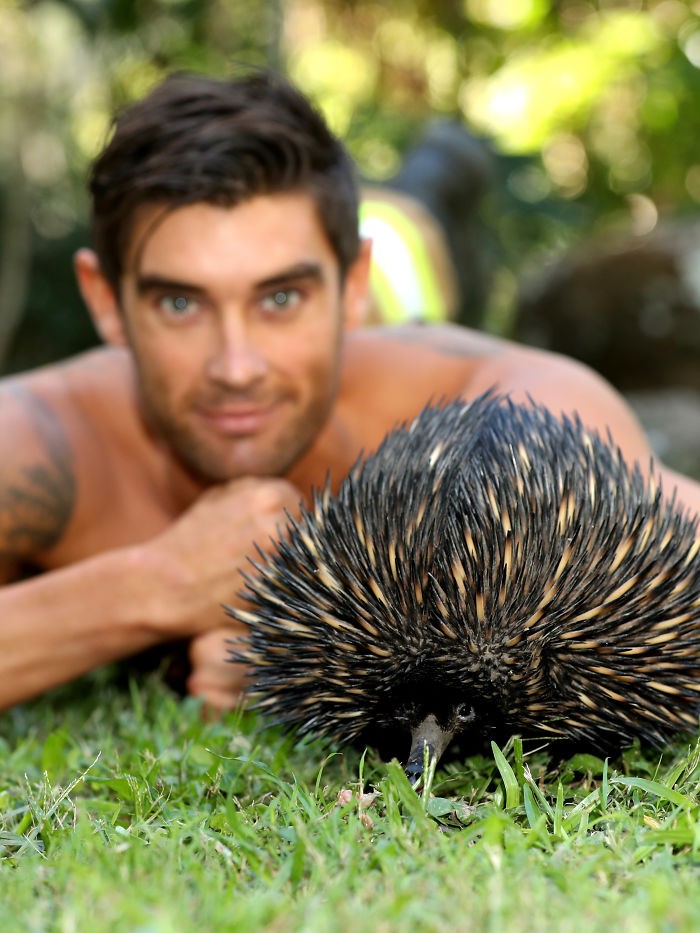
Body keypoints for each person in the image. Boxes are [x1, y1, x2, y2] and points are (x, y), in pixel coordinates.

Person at [2, 69, 699, 714]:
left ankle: (436, 178)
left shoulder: (520, 412)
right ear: (104, 299)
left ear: (349, 285)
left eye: (281, 297)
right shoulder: (41, 445)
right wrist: (157, 585)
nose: (237, 367)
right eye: (180, 305)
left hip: (403, 290)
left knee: (415, 234)